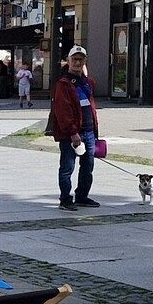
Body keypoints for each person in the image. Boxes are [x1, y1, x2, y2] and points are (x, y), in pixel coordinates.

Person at [49, 47, 99, 211]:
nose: (77, 62)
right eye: (74, 59)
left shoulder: (87, 82)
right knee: (67, 167)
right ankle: (65, 199)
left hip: (88, 131)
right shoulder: (63, 84)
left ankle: (82, 196)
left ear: (85, 61)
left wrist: (95, 130)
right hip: (71, 134)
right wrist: (72, 132)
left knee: (88, 166)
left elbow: (91, 107)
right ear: (68, 61)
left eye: (81, 59)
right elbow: (63, 111)